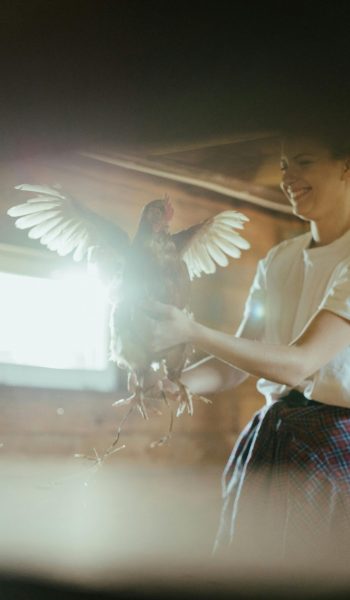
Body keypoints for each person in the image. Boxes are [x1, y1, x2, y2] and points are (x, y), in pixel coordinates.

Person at [141, 123, 350, 567]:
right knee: (248, 572)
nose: (288, 176)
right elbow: (240, 362)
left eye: (305, 161)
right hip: (271, 437)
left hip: (335, 446)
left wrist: (192, 331)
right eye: (282, 165)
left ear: (347, 166)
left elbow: (300, 365)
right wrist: (179, 384)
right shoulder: (278, 260)